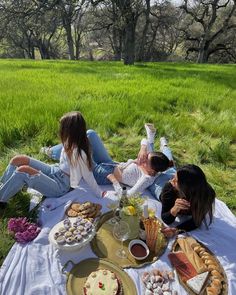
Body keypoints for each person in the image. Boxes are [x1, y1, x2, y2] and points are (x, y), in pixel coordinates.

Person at [0, 111, 106, 209]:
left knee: (23, 170)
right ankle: (4, 187)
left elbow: (88, 175)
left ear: (71, 130)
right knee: (18, 159)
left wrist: (99, 193)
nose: (60, 130)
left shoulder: (80, 153)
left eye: (62, 128)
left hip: (61, 186)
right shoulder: (69, 141)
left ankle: (1, 200)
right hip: (54, 170)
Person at [39, 125, 172, 196]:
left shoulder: (146, 178)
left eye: (145, 162)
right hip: (111, 163)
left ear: (153, 169)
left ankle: (52, 153)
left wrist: (114, 183)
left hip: (102, 175)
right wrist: (143, 148)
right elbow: (144, 141)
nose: (142, 160)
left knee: (81, 145)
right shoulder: (150, 162)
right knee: (90, 134)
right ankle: (53, 152)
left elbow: (131, 194)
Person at [160, 164, 216, 237]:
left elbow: (196, 221)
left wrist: (177, 230)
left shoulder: (206, 196)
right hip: (160, 189)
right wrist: (174, 209)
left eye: (176, 180)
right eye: (174, 177)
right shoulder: (169, 187)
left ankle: (169, 161)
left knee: (167, 168)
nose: (171, 181)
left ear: (187, 188)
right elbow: (165, 218)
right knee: (155, 175)